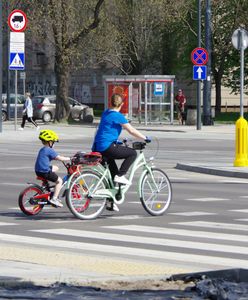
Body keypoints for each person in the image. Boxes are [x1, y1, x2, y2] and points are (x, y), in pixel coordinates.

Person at [92, 93, 150, 211]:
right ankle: (121, 175)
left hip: (98, 147)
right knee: (132, 153)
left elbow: (105, 129)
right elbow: (131, 130)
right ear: (122, 104)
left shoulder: (105, 113)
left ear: (110, 102)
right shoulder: (118, 116)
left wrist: (116, 140)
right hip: (106, 147)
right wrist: (144, 138)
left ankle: (110, 202)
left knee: (111, 174)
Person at [35, 129, 71, 208]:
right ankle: (54, 199)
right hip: (44, 171)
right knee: (59, 181)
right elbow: (59, 158)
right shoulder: (50, 150)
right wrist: (69, 158)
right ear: (49, 142)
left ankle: (46, 185)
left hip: (38, 170)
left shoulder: (43, 149)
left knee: (56, 167)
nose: (54, 144)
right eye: (53, 142)